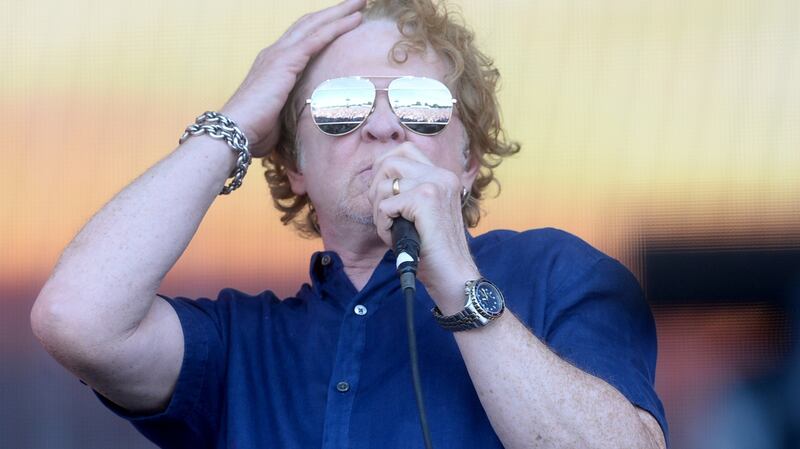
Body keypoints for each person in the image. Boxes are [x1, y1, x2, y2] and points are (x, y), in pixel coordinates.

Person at [30, 0, 668, 447]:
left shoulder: (561, 273)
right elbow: (75, 317)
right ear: (294, 164)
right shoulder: (242, 349)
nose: (386, 126)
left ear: (468, 159)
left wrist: (460, 289)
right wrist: (236, 124)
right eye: (341, 106)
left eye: (422, 104)